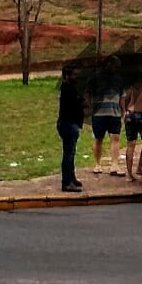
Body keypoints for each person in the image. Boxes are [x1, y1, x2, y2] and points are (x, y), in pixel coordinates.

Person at [86, 55, 124, 175]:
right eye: (114, 66)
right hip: (98, 113)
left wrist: (123, 111)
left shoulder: (119, 79)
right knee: (98, 139)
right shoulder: (95, 78)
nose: (116, 69)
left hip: (114, 113)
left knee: (115, 138)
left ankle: (114, 164)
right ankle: (97, 164)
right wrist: (89, 108)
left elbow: (122, 95)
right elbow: (87, 93)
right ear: (108, 65)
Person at [56, 63, 85, 193]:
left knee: (71, 154)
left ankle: (71, 178)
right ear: (67, 76)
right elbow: (77, 104)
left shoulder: (70, 87)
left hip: (70, 124)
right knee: (68, 154)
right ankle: (66, 182)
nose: (76, 76)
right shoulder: (68, 89)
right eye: (74, 75)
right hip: (68, 124)